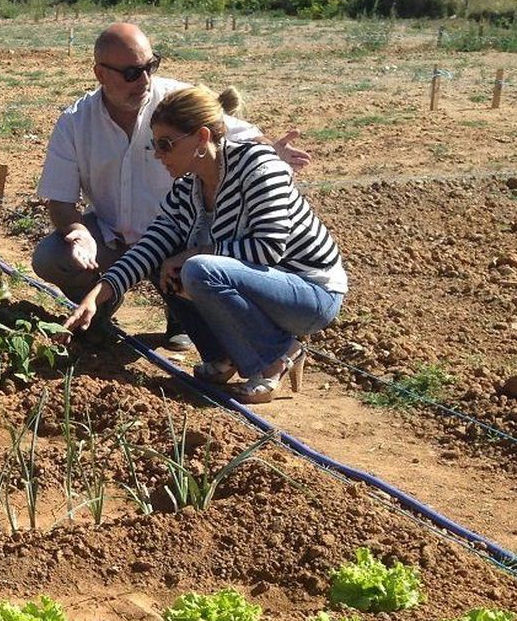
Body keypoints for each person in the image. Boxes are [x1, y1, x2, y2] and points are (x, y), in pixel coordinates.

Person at [61, 85, 347, 404]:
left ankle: (280, 353)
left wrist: (194, 253)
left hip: (309, 293)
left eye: (166, 145)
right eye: (154, 145)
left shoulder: (260, 167)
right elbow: (150, 246)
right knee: (165, 262)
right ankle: (225, 354)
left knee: (196, 268)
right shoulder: (188, 187)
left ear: (200, 138)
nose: (158, 155)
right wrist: (97, 295)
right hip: (262, 287)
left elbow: (268, 248)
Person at [34, 22, 309, 350]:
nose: (145, 80)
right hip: (112, 237)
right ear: (101, 74)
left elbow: (239, 135)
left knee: (201, 258)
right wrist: (78, 232)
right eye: (133, 73)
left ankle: (182, 316)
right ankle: (102, 306)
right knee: (52, 256)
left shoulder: (173, 103)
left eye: (151, 66)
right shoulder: (75, 123)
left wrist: (267, 153)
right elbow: (60, 201)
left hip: (175, 238)